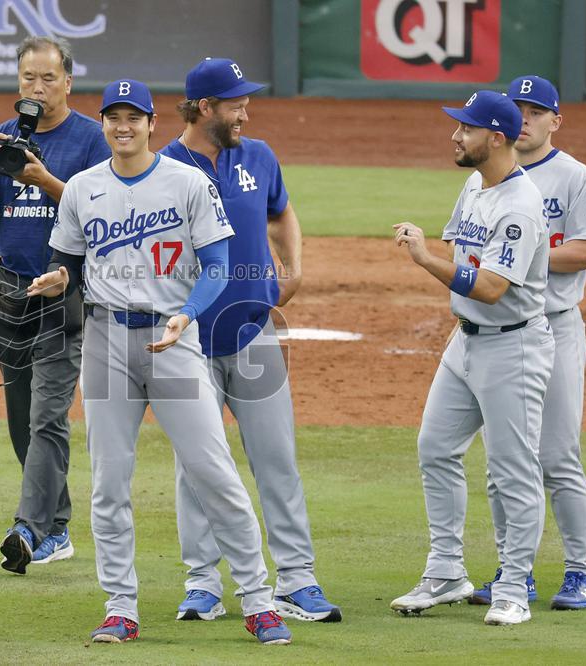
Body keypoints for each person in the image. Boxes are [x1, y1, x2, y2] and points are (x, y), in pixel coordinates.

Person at [27, 78, 291, 645]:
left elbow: (217, 266)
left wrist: (187, 314)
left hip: (173, 338)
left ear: (152, 123)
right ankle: (121, 607)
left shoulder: (187, 183)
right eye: (112, 117)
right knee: (109, 483)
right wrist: (57, 279)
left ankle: (257, 599)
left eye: (133, 117)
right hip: (105, 343)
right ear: (102, 124)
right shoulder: (80, 189)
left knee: (212, 470)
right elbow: (67, 262)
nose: (123, 127)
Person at [159, 57, 341, 624]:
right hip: (188, 339)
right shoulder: (162, 167)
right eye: (235, 102)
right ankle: (203, 584)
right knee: (197, 466)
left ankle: (297, 579)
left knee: (276, 459)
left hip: (253, 332)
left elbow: (283, 214)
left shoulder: (257, 156)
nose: (246, 110)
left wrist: (294, 268)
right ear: (204, 108)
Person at [390, 90, 554, 626]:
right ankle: (445, 571)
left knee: (512, 470)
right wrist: (437, 252)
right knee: (435, 447)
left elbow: (488, 288)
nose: (456, 135)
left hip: (514, 346)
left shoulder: (521, 206)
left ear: (497, 137)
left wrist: (423, 259)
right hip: (466, 343)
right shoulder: (474, 183)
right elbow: (463, 247)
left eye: (466, 128)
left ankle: (512, 586)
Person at [0, 36, 110, 572]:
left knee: (48, 414)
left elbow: (104, 213)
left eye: (47, 78)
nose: (37, 88)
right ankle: (57, 526)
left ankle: (29, 526)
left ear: (68, 81)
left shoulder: (91, 139)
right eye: (27, 79)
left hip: (65, 289)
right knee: (21, 417)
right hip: (9, 290)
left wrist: (43, 179)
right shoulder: (0, 138)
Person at [456, 76, 586, 611]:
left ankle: (579, 571)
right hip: (496, 328)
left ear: (555, 120)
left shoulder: (574, 177)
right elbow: (462, 245)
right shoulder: (485, 179)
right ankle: (513, 573)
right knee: (504, 459)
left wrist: (524, 256)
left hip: (554, 326)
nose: (525, 118)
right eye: (517, 109)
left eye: (536, 110)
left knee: (558, 455)